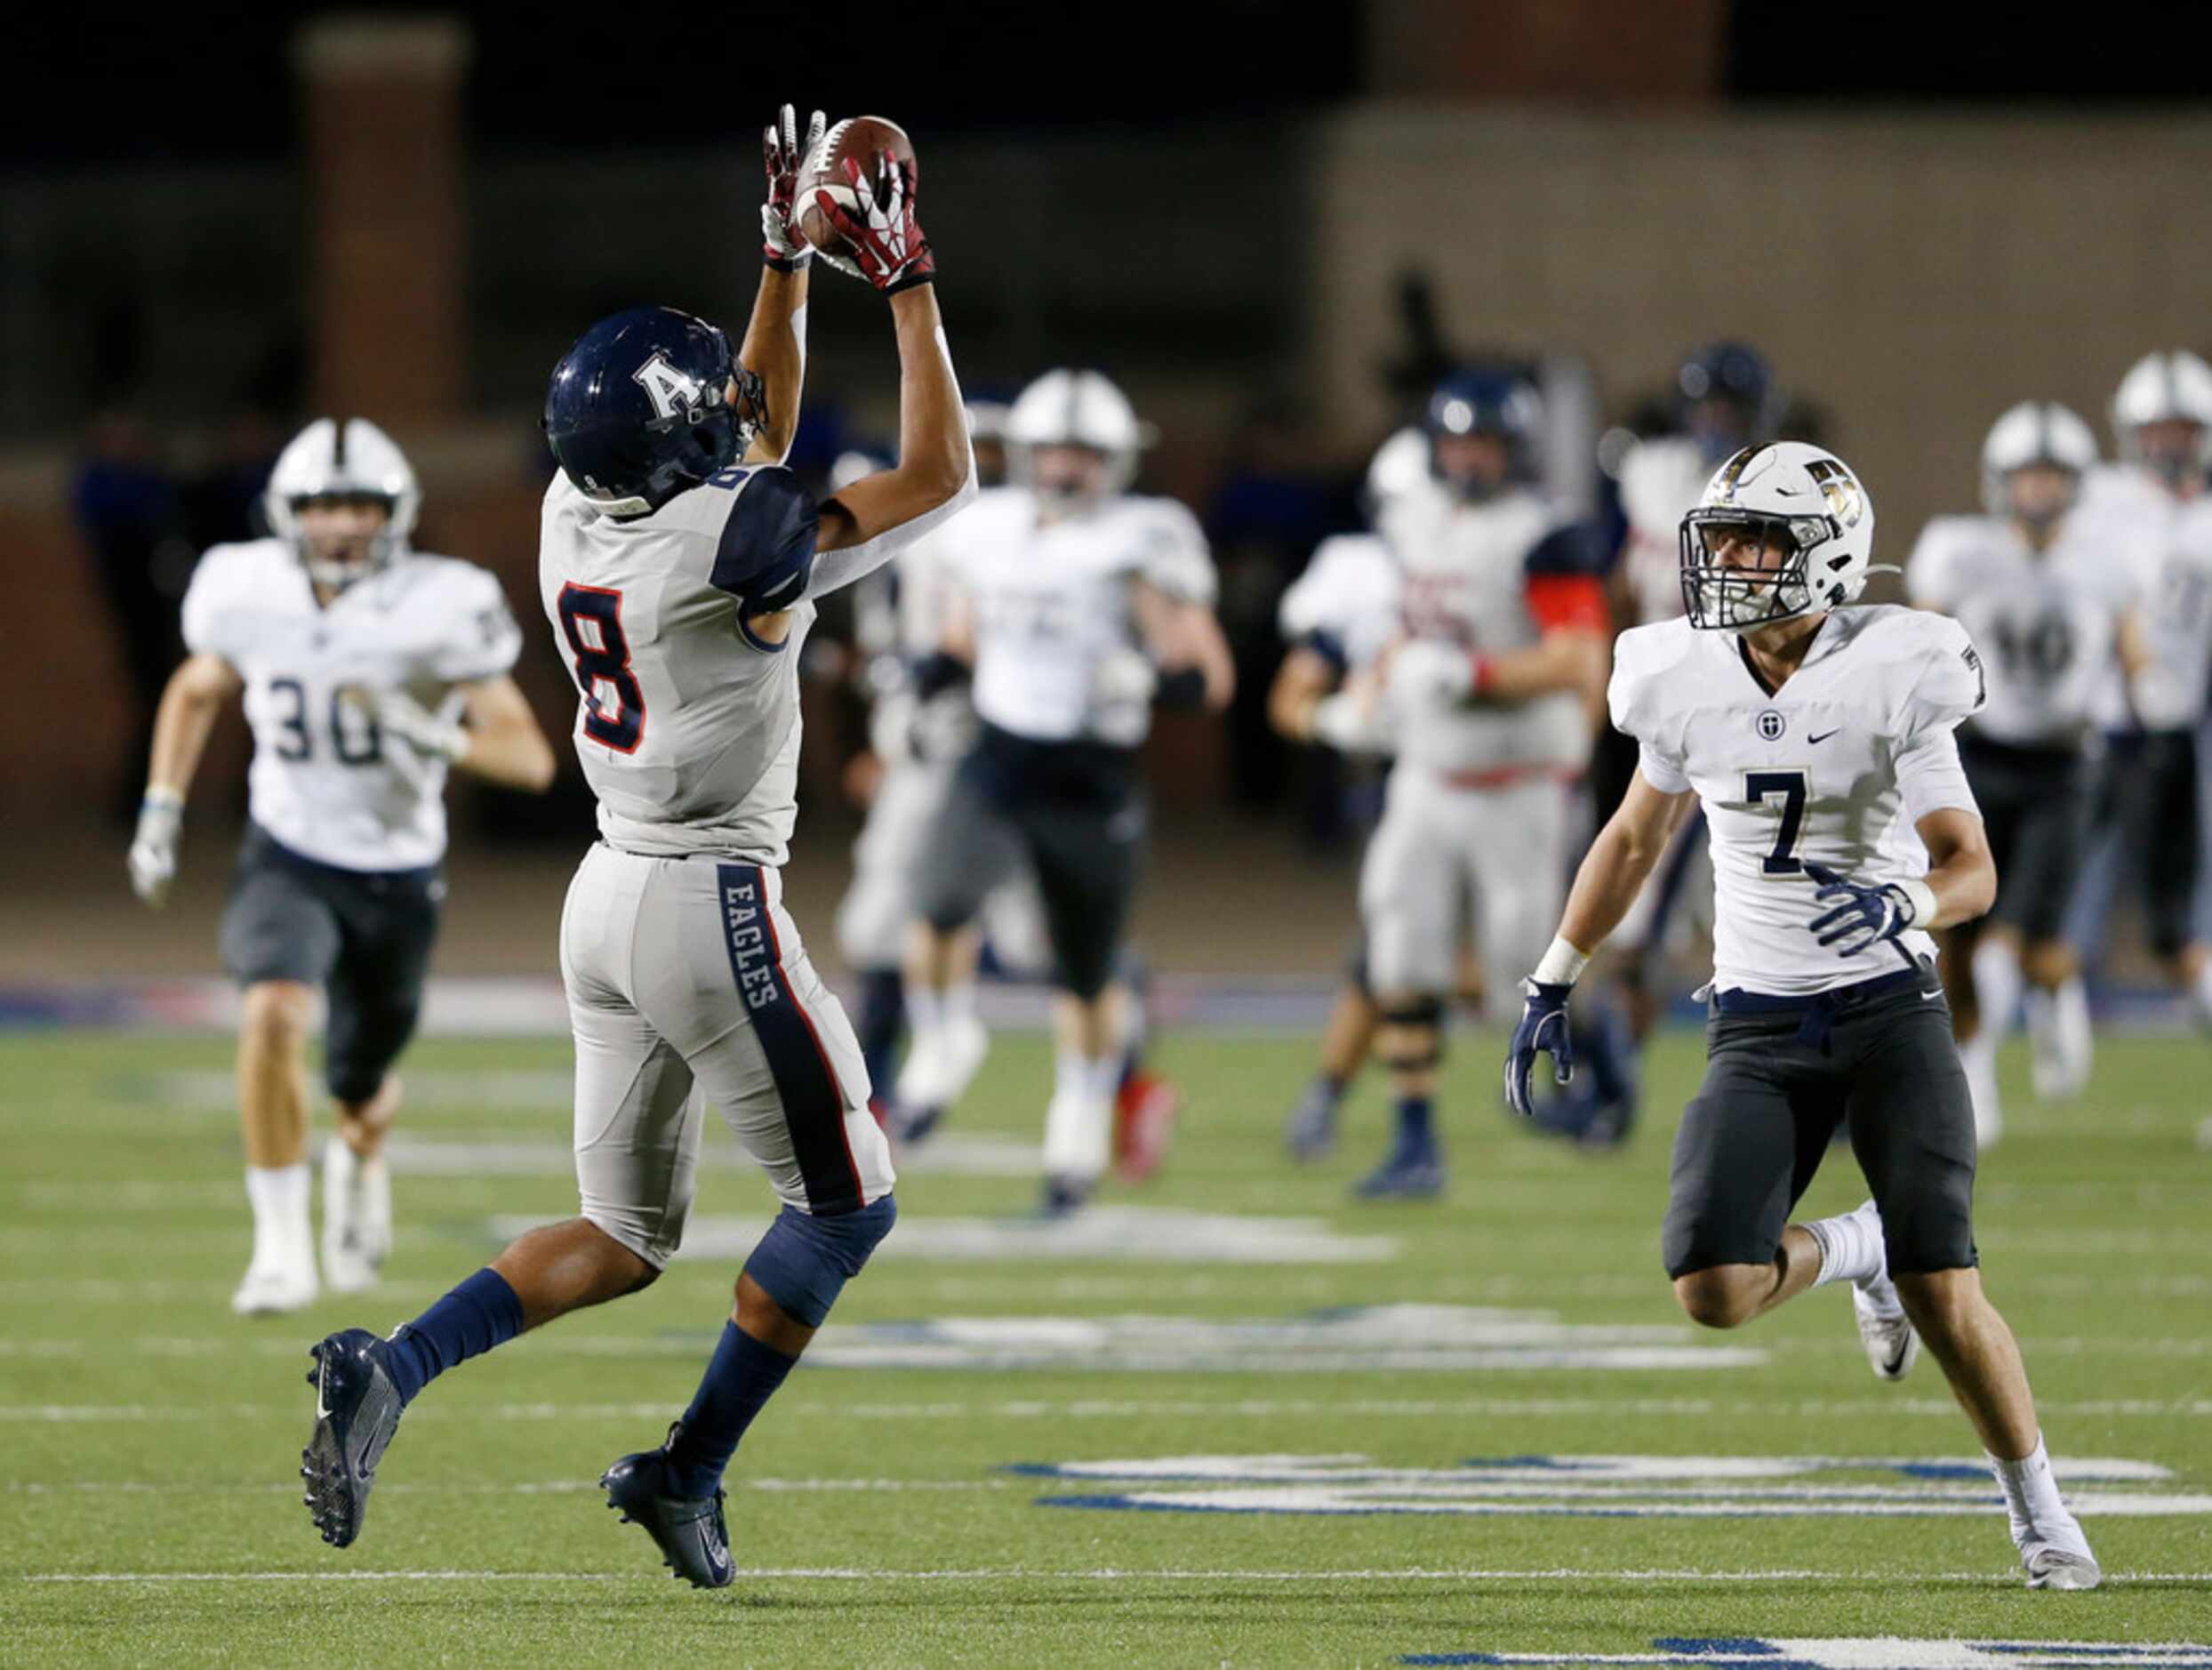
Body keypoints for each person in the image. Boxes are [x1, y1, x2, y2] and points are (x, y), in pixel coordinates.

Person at [299, 110, 974, 1589]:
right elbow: (934, 473)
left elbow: (753, 426)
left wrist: (783, 258)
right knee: (849, 1202)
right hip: (707, 901)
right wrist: (906, 273)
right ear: (684, 453)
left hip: (605, 896)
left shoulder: (568, 508)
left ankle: (391, 1364)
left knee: (621, 1232)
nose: (734, 424)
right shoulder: (730, 550)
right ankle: (686, 1467)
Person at [1505, 440, 2099, 1591]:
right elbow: (1636, 836)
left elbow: (1971, 865)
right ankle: (1857, 1247)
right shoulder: (1681, 674)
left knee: (1947, 1288)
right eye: (1719, 538)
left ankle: (2039, 1507)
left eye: (1754, 542)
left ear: (1827, 559)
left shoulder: (1896, 665)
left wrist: (1908, 899)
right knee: (1711, 1286)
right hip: (1759, 1025)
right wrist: (1555, 969)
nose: (1725, 562)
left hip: (1888, 1011)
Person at [127, 415, 555, 1313]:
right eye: (322, 505)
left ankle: (360, 1161)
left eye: (359, 504)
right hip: (286, 852)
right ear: (287, 512)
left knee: (360, 1089)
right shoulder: (242, 586)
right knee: (274, 1012)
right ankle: (280, 1247)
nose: (341, 524)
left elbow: (529, 758)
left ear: (395, 513)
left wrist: (429, 731)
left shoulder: (442, 598)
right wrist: (162, 805)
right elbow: (199, 685)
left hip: (397, 871)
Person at [899, 366, 1233, 1214]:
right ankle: (945, 1039)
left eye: (1085, 453)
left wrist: (1155, 682)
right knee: (936, 898)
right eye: (1055, 449)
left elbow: (1210, 675)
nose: (1067, 468)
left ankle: (1080, 1113)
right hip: (1001, 753)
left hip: (1092, 775)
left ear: (1115, 462)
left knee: (1085, 972)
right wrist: (930, 675)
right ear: (1024, 453)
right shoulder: (991, 529)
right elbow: (969, 635)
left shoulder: (1144, 539)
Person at [1347, 367, 1613, 1197]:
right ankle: (1415, 1139)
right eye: (1458, 443)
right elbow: (1407, 626)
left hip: (1517, 778)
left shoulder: (1544, 535)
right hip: (1428, 772)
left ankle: (1605, 1063)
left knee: (1514, 976)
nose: (1469, 460)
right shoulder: (1410, 517)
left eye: (1487, 445)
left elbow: (1579, 662)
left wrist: (1473, 672)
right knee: (1401, 946)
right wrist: (1375, 687)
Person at [1908, 402, 2152, 1142]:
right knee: (1963, 936)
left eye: (2054, 477)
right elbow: (1921, 643)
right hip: (1976, 756)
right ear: (1999, 481)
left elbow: (2137, 664)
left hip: (2065, 767)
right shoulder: (1960, 551)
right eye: (2028, 477)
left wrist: (2146, 733)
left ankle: (2052, 997)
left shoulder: (2107, 565)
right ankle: (1975, 1069)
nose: (2041, 491)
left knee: (2022, 936)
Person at [832, 404, 1051, 1106]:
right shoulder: (913, 539)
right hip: (936, 750)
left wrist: (909, 699)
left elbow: (965, 651)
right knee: (889, 925)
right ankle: (881, 1092)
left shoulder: (1002, 537)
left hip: (988, 753)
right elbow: (888, 653)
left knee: (1039, 935)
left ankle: (1124, 1077)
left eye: (985, 450)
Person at [1270, 430, 1416, 1160]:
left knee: (1515, 943)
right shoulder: (1359, 573)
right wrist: (1338, 719)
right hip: (1407, 784)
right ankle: (1347, 1102)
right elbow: (1288, 699)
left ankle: (1593, 1055)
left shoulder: (1508, 554)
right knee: (1388, 956)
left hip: (1505, 780)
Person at [2068, 349, 2212, 1028]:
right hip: (2092, 726)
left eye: (2183, 431)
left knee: (2174, 909)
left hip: (2179, 729)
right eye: (2158, 430)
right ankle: (2055, 1015)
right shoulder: (2099, 501)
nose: (2168, 446)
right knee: (2066, 894)